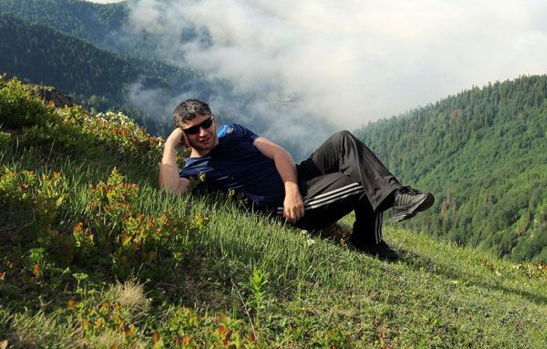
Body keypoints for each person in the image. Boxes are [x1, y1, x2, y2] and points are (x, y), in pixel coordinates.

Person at [159, 99, 434, 261]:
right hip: (286, 207)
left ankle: (394, 199)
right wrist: (170, 144)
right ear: (184, 136)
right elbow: (170, 192)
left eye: (205, 124)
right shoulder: (196, 168)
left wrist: (292, 188)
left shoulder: (233, 131)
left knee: (343, 140)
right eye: (192, 131)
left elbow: (278, 153)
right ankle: (369, 238)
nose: (202, 133)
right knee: (361, 180)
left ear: (213, 119)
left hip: (296, 181)